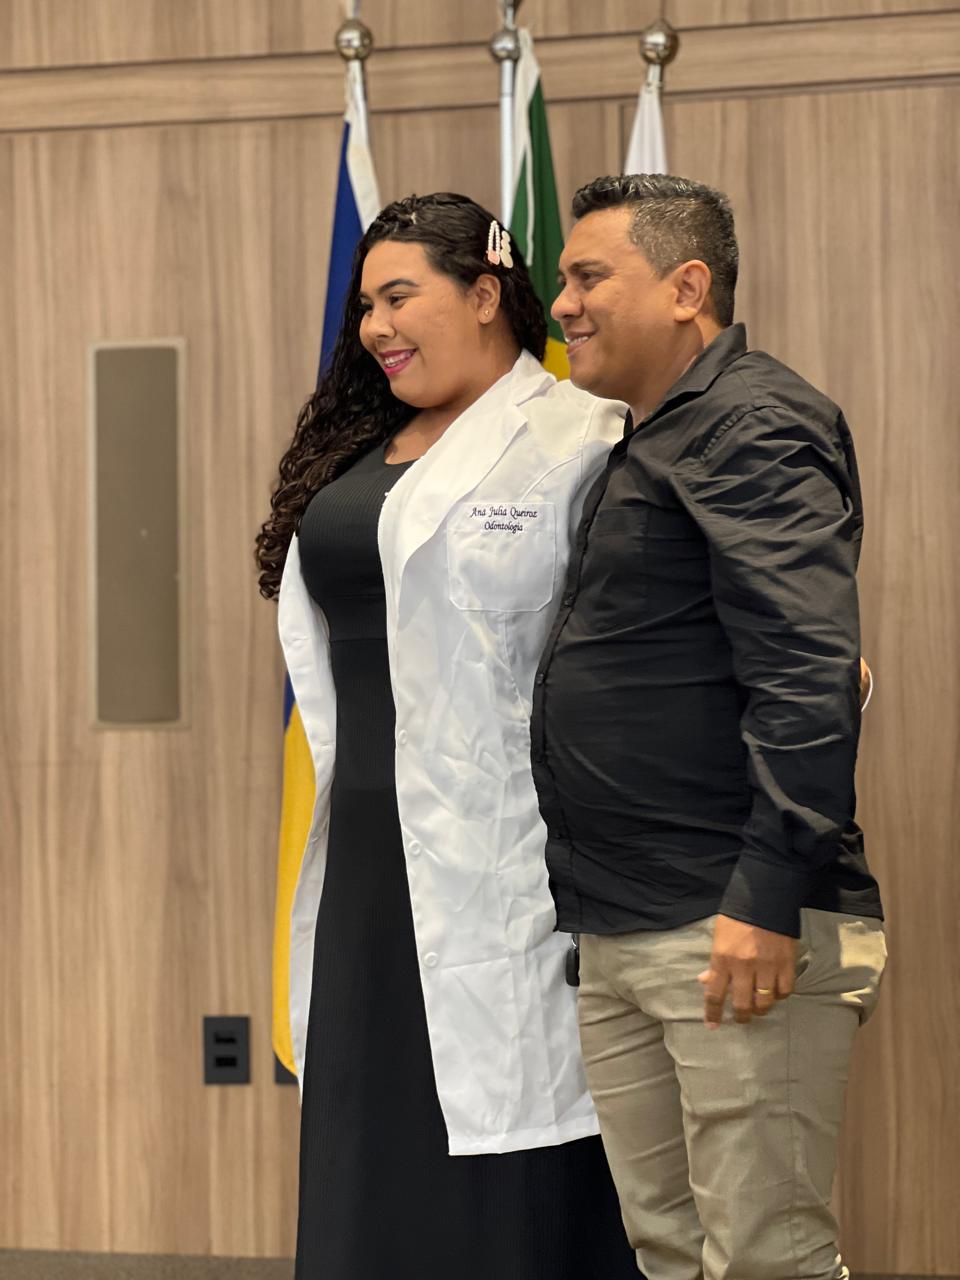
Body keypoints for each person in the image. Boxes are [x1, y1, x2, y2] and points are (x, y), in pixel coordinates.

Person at [255, 193, 638, 1279]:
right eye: (364, 305)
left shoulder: (582, 437)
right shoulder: (363, 445)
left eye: (399, 296)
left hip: (509, 859)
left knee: (502, 1168)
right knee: (366, 1152)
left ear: (483, 294)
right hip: (367, 860)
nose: (375, 327)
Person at [530, 172, 886, 1280]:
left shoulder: (753, 423)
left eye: (589, 277)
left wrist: (766, 898)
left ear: (687, 288)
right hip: (626, 923)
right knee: (670, 1253)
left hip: (730, 924)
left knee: (767, 1261)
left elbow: (809, 672)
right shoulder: (643, 441)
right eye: (563, 280)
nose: (562, 305)